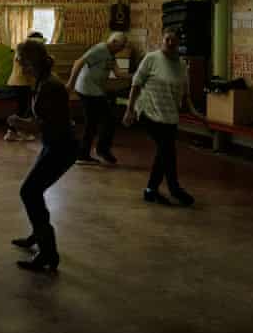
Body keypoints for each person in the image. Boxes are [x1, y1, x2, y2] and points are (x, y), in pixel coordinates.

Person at [7, 39, 78, 273]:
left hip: (62, 148)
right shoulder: (41, 81)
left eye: (21, 60)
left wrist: (18, 123)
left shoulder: (50, 85)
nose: (20, 65)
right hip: (54, 145)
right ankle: (38, 235)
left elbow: (40, 125)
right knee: (34, 191)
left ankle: (48, 253)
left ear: (31, 61)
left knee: (29, 191)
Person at [123, 28, 198, 207]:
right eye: (167, 40)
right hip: (148, 111)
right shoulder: (151, 58)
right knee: (166, 149)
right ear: (162, 40)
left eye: (174, 40)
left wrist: (195, 112)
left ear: (179, 43)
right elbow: (136, 84)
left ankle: (151, 190)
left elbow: (186, 94)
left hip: (169, 116)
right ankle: (173, 188)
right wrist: (130, 109)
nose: (170, 43)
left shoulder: (181, 65)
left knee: (165, 151)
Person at [67, 32, 129, 164]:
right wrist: (70, 84)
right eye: (121, 46)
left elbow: (118, 74)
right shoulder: (100, 49)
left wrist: (136, 76)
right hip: (87, 89)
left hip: (95, 90)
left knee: (96, 122)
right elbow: (78, 62)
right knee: (104, 120)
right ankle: (96, 151)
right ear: (113, 42)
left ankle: (88, 153)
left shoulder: (111, 55)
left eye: (124, 47)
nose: (122, 49)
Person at [5, 30, 44, 142]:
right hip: (20, 83)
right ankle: (18, 132)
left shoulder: (25, 48)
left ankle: (13, 132)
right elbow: (23, 64)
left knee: (23, 109)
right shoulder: (23, 48)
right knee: (23, 109)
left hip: (20, 82)